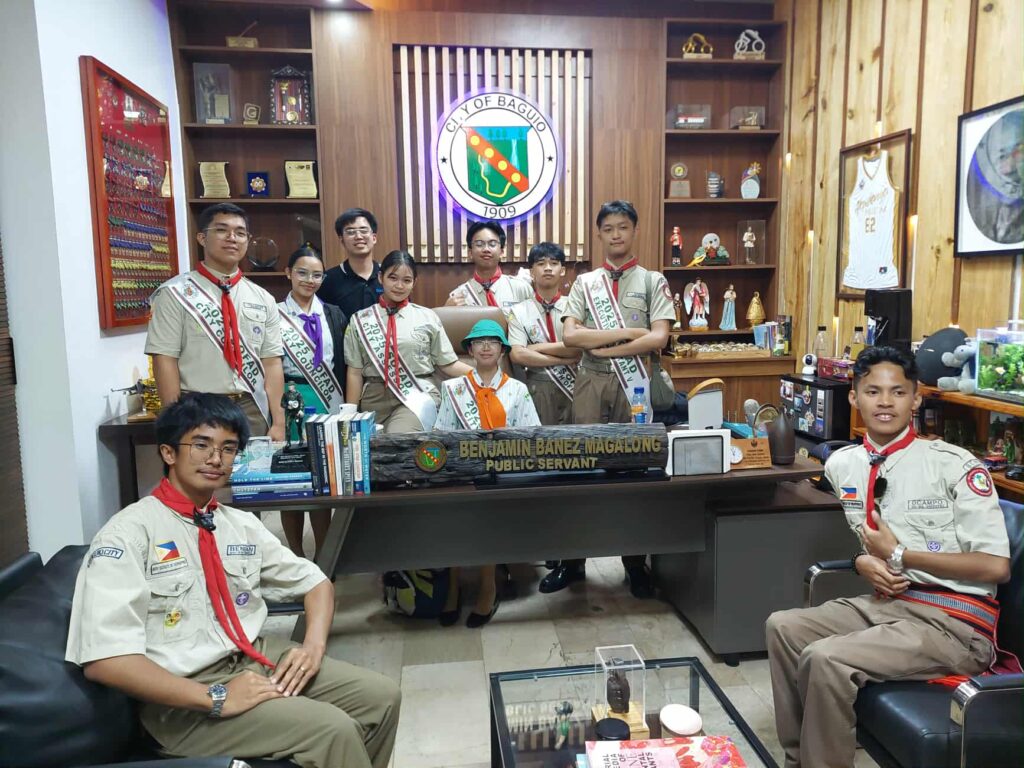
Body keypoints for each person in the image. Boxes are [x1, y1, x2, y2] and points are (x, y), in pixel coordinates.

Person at [65, 393, 401, 768]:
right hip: (181, 699)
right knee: (332, 730)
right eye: (201, 445)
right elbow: (104, 661)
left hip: (254, 657)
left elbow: (316, 583)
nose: (215, 459)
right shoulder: (127, 534)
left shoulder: (238, 524)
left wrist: (312, 647)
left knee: (381, 697)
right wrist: (215, 697)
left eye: (228, 448)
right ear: (168, 453)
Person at [766, 346, 1014, 768]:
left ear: (916, 398)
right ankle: (800, 758)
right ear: (853, 397)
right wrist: (863, 561)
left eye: (898, 392)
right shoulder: (844, 465)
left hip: (953, 625)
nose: (885, 402)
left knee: (826, 658)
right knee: (783, 627)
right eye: (873, 391)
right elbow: (865, 536)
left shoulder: (953, 465)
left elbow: (996, 567)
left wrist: (901, 554)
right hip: (890, 605)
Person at [547, 200, 673, 597]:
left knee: (634, 471)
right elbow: (571, 337)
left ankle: (635, 564)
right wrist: (630, 337)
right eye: (608, 228)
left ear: (634, 230)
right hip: (590, 381)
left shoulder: (653, 281)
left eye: (623, 227)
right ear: (598, 234)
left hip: (633, 385)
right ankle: (572, 561)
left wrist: (607, 348)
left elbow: (659, 337)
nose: (616, 234)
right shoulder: (585, 283)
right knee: (580, 470)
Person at [146, 203, 285, 440]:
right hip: (197, 408)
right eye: (222, 230)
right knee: (204, 476)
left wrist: (279, 422)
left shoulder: (263, 298)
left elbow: (271, 363)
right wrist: (174, 420)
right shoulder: (175, 293)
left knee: (255, 476)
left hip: (252, 409)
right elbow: (165, 359)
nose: (232, 238)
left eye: (240, 233)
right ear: (202, 237)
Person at [434, 319, 541, 627]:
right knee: (453, 508)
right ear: (469, 349)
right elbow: (442, 436)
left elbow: (533, 436)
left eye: (492, 342)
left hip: (503, 475)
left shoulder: (518, 390)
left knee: (487, 507)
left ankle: (488, 586)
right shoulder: (452, 388)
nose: (484, 347)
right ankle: (452, 586)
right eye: (478, 342)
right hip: (463, 473)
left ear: (502, 350)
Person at [344, 250, 472, 432]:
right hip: (373, 398)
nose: (399, 286)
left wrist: (481, 375)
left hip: (416, 394)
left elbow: (448, 364)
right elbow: (355, 372)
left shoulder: (427, 317)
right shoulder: (360, 320)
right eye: (393, 278)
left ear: (414, 283)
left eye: (406, 280)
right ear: (381, 277)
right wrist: (350, 414)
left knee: (398, 439)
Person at [278, 243, 347, 558]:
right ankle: (295, 553)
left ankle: (324, 551)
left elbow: (342, 365)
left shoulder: (332, 313)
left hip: (327, 400)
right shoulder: (274, 315)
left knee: (323, 477)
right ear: (288, 273)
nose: (309, 280)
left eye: (317, 275)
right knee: (290, 480)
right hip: (289, 399)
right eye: (302, 273)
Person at [507, 242, 580, 426]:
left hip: (577, 383)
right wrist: (562, 359)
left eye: (554, 263)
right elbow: (517, 354)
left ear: (562, 270)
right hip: (537, 387)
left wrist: (535, 348)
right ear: (531, 272)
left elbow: (578, 350)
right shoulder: (518, 311)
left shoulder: (576, 306)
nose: (547, 268)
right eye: (540, 263)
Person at [444, 220, 532, 309]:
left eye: (492, 244)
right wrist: (446, 311)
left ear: (501, 252)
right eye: (479, 244)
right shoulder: (458, 296)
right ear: (470, 253)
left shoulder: (521, 289)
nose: (486, 249)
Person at [317, 208, 384, 318]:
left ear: (374, 238)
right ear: (342, 240)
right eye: (351, 232)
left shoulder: (388, 276)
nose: (358, 236)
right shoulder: (328, 280)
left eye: (363, 230)